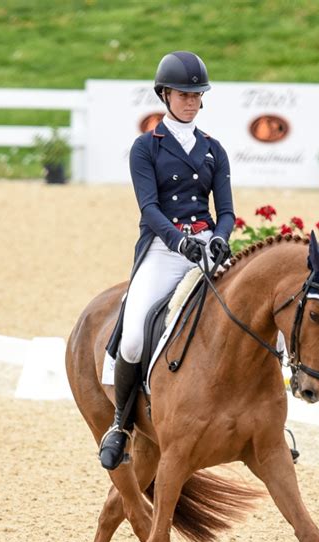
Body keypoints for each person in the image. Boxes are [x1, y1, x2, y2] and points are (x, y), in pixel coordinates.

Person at [99, 50, 235, 471]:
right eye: (183, 94)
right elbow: (150, 208)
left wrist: (220, 239)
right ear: (165, 95)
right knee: (137, 335)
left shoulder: (214, 150)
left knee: (255, 311)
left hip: (206, 248)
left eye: (197, 95)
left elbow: (226, 209)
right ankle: (121, 423)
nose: (191, 101)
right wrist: (180, 243)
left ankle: (266, 415)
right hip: (163, 250)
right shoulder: (146, 147)